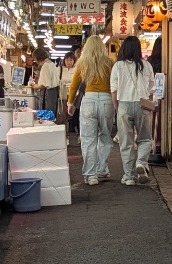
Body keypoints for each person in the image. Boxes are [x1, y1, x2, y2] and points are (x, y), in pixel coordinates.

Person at [68, 35, 113, 185]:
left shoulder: (82, 62)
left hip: (89, 101)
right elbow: (114, 85)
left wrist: (70, 104)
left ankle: (90, 174)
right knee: (105, 137)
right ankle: (101, 169)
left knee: (88, 139)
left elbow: (74, 85)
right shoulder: (109, 63)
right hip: (107, 101)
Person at [111, 35, 156, 185]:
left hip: (124, 104)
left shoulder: (118, 66)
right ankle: (141, 163)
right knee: (144, 138)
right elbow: (151, 88)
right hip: (142, 105)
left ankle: (129, 176)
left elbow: (114, 90)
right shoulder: (146, 65)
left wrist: (117, 108)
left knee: (126, 142)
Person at [32, 47, 60, 116]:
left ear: (38, 58)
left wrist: (36, 86)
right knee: (52, 114)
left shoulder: (45, 66)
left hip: (47, 94)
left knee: (46, 115)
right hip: (54, 93)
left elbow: (45, 84)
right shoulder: (52, 64)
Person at [59, 52, 78, 130]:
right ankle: (64, 129)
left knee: (73, 111)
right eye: (67, 60)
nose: (69, 62)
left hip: (74, 94)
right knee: (63, 112)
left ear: (74, 61)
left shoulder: (77, 69)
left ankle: (72, 127)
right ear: (64, 61)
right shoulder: (60, 69)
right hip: (63, 94)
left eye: (71, 60)